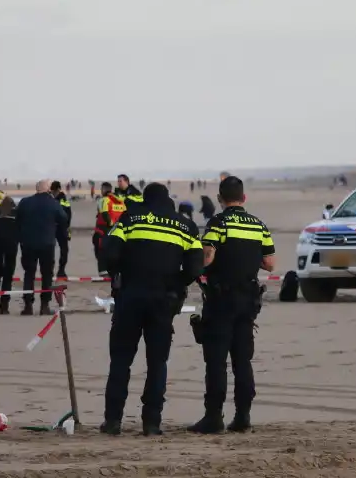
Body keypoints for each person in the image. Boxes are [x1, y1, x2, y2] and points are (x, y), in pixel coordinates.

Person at [100, 183, 204, 436]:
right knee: (157, 362)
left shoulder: (129, 219)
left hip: (130, 297)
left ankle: (113, 421)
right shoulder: (185, 225)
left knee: (121, 361)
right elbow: (195, 268)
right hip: (164, 301)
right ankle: (152, 422)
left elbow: (108, 253)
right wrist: (176, 284)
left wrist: (120, 273)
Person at [187, 176, 276, 434]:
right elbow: (270, 263)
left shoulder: (218, 222)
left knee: (216, 360)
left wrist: (196, 265)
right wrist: (248, 259)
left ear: (220, 199)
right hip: (248, 300)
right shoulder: (259, 225)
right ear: (244, 198)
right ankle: (243, 416)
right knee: (242, 361)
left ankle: (213, 417)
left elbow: (208, 257)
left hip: (221, 300)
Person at [15, 180, 68, 316]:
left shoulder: (25, 202)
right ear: (49, 189)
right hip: (47, 243)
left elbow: (17, 219)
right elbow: (63, 219)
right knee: (47, 275)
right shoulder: (53, 203)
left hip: (28, 243)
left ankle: (28, 305)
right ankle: (44, 305)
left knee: (29, 274)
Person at [93, 181, 125, 277]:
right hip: (119, 230)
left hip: (104, 229)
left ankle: (103, 271)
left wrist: (110, 224)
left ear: (103, 190)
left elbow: (104, 213)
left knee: (100, 249)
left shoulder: (104, 200)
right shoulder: (121, 201)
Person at [50, 180, 72, 279]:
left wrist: (67, 228)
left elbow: (68, 216)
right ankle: (51, 270)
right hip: (53, 228)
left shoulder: (63, 201)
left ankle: (61, 270)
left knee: (64, 250)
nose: (53, 193)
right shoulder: (52, 200)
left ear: (58, 189)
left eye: (54, 191)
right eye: (52, 192)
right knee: (50, 249)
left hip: (61, 228)